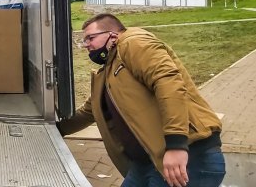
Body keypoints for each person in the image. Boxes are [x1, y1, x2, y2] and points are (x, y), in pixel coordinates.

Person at [58, 14, 225, 187]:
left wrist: (177, 145)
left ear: (113, 34)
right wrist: (56, 129)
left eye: (90, 38)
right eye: (84, 41)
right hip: (147, 161)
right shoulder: (108, 70)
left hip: (188, 157)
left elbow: (169, 84)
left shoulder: (134, 43)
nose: (87, 45)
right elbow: (89, 111)